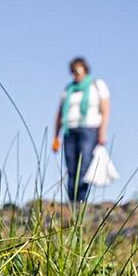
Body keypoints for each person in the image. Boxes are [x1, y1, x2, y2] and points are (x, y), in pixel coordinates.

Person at [52, 57, 111, 203]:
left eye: (77, 70)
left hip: (89, 130)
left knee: (84, 166)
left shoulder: (97, 85)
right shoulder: (68, 89)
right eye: (72, 72)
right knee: (71, 168)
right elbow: (60, 113)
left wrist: (102, 133)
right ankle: (72, 202)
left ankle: (81, 200)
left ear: (85, 69)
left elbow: (105, 110)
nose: (74, 74)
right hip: (69, 130)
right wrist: (55, 137)